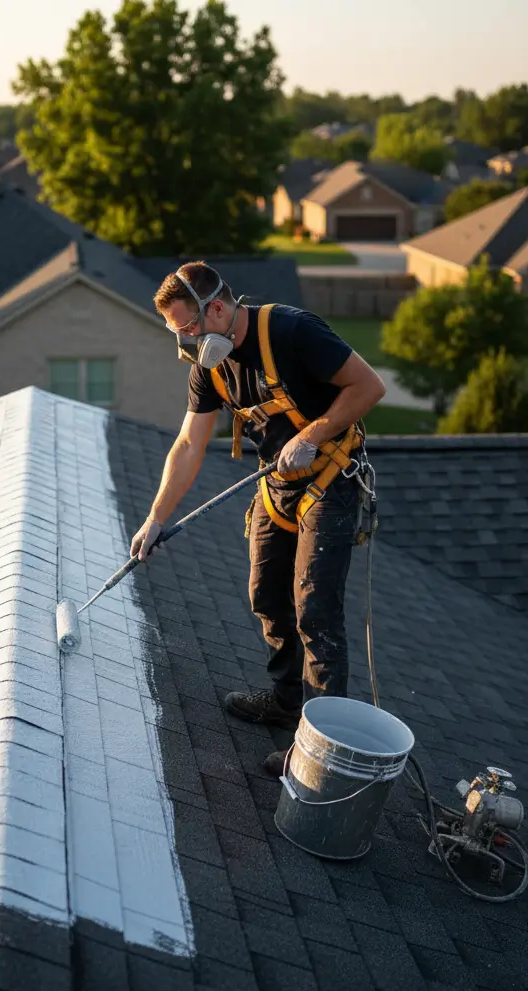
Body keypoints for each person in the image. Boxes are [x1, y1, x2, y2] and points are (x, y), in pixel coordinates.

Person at [131, 261, 386, 775]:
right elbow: (187, 445)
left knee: (315, 611)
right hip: (277, 486)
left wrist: (312, 434)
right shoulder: (210, 365)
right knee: (267, 595)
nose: (185, 344)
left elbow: (368, 387)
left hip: (331, 479)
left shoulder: (293, 331)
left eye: (187, 329)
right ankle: (288, 701)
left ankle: (320, 750)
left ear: (218, 309)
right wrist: (155, 518)